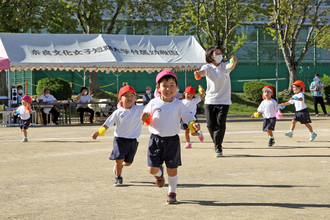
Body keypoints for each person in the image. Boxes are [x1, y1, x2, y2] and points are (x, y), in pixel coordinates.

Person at [141, 70, 200, 204]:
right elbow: (147, 119)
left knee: (172, 169)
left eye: (172, 85)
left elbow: (188, 117)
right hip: (155, 140)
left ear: (177, 88)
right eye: (165, 85)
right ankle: (159, 175)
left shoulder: (179, 104)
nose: (169, 88)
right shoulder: (153, 103)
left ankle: (171, 192)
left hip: (172, 140)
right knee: (152, 170)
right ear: (158, 88)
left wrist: (193, 125)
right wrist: (144, 119)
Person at [91, 85, 145, 187]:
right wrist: (98, 132)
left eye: (132, 95)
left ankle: (118, 167)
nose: (129, 98)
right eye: (126, 95)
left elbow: (153, 108)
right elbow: (107, 124)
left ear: (135, 98)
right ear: (120, 99)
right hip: (120, 140)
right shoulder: (118, 112)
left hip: (133, 140)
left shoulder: (140, 109)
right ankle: (118, 178)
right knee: (119, 159)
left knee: (128, 163)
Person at [194, 46, 237, 157]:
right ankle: (217, 142)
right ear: (210, 56)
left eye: (220, 52)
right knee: (209, 125)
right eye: (216, 53)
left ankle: (218, 147)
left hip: (224, 101)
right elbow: (202, 73)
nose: (219, 54)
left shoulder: (224, 66)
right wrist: (198, 74)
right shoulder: (208, 67)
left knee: (220, 124)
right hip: (210, 100)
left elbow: (230, 66)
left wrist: (234, 62)